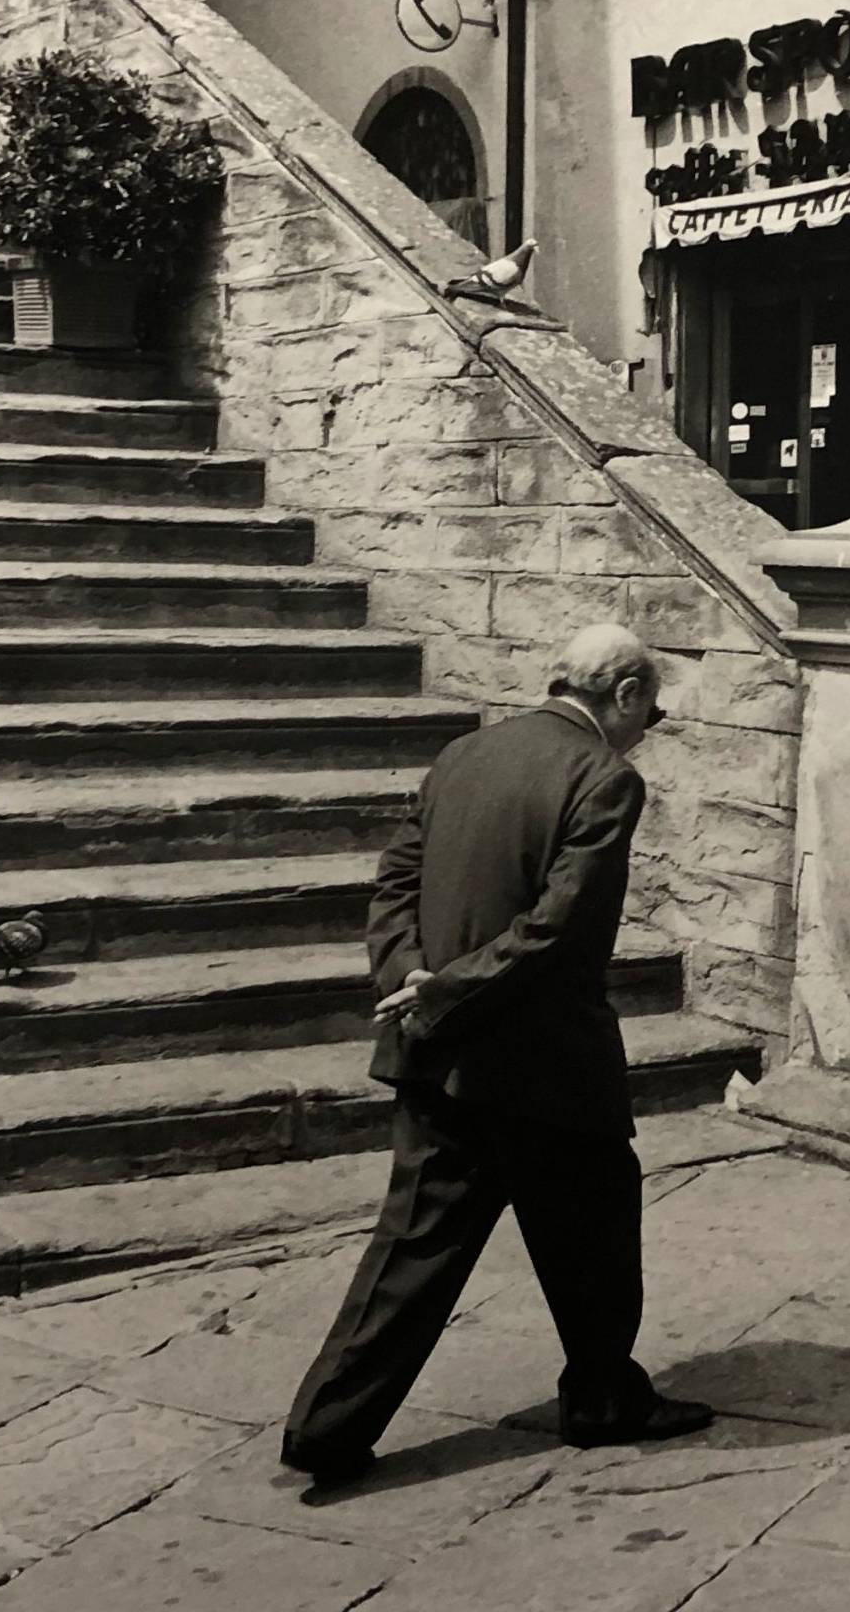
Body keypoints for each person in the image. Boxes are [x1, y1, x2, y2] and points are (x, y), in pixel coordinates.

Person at [280, 624, 715, 1488]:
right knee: (594, 1232)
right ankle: (600, 1399)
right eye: (651, 712)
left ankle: (326, 1429)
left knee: (412, 1249)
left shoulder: (464, 753)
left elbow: (394, 883)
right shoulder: (603, 777)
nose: (646, 727)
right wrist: (447, 988)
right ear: (624, 694)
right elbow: (562, 928)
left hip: (438, 1054)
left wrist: (414, 980)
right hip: (545, 1060)